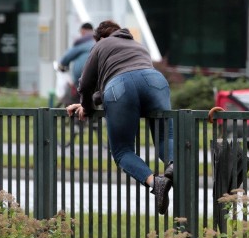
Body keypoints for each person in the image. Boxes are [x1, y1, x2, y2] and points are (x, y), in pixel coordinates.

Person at [65, 20, 175, 215]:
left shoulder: (101, 45)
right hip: (155, 81)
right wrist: (91, 101)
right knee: (165, 137)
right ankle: (174, 164)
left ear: (100, 38)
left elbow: (86, 85)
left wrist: (87, 108)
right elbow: (127, 80)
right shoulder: (138, 46)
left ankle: (155, 182)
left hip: (120, 87)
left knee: (123, 151)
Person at [57, 22, 94, 95]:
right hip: (97, 78)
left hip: (81, 79)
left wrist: (62, 66)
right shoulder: (97, 41)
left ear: (83, 31)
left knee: (71, 99)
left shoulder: (83, 42)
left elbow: (65, 58)